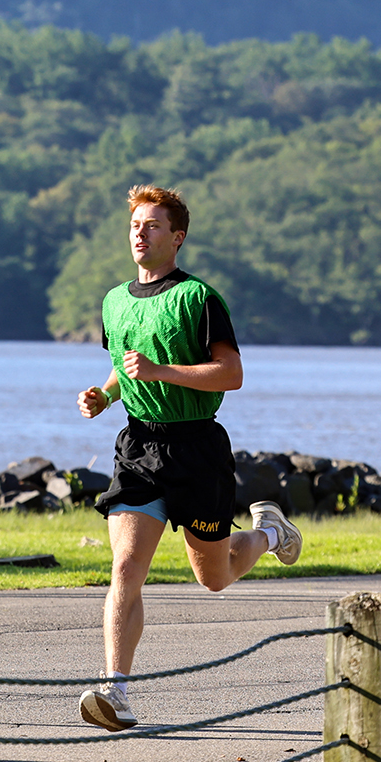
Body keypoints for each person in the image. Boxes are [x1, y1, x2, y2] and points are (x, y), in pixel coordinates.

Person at [74, 184, 300, 732]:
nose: (140, 233)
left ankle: (270, 533)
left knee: (214, 576)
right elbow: (124, 364)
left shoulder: (199, 299)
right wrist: (105, 393)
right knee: (126, 567)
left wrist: (161, 373)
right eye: (135, 225)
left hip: (197, 447)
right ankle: (117, 690)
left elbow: (231, 373)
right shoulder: (113, 299)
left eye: (152, 226)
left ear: (177, 237)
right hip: (139, 447)